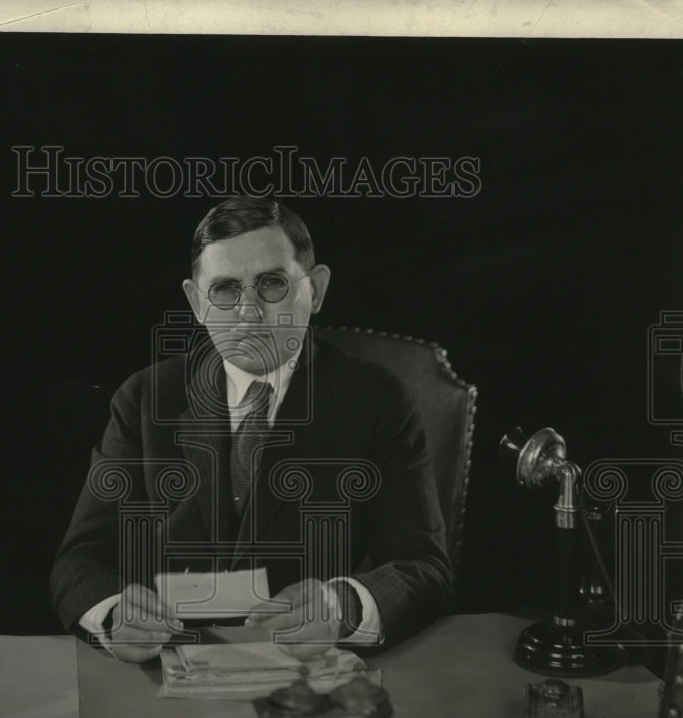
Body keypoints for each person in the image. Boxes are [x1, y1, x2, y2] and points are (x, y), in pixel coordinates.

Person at [50, 196, 451, 663]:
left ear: (316, 290)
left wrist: (342, 607)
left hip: (308, 669)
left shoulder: (376, 400)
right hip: (166, 667)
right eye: (224, 289)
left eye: (272, 283)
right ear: (196, 303)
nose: (248, 312)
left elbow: (423, 567)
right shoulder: (144, 399)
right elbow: (80, 559)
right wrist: (115, 614)